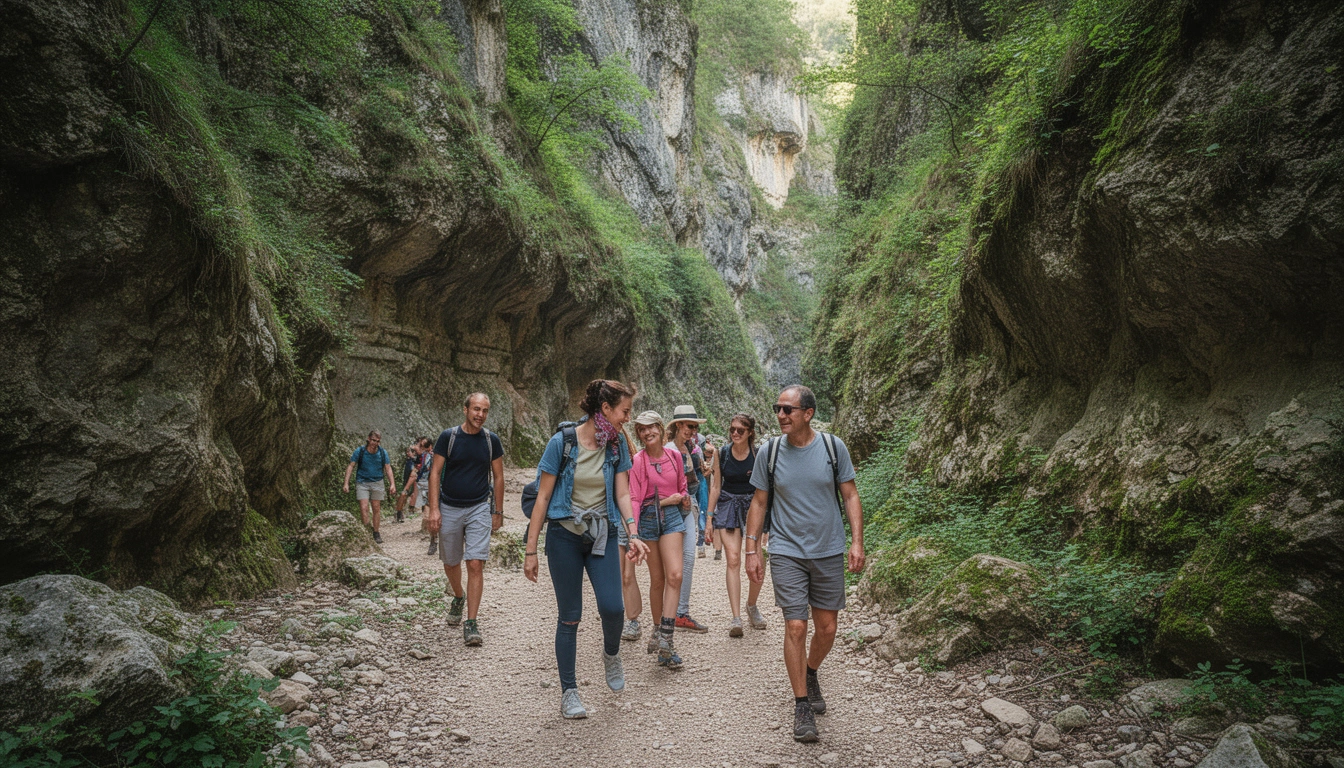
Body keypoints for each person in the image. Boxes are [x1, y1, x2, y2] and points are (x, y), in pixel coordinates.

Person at [744, 385, 865, 743]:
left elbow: (850, 494)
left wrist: (857, 541)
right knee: (795, 626)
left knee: (826, 629)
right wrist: (753, 550)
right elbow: (759, 503)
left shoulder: (832, 447)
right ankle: (801, 704)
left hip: (828, 549)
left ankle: (811, 671)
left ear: (808, 413)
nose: (780, 415)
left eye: (788, 409)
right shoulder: (769, 452)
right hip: (786, 550)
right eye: (778, 408)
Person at [523, 380, 649, 719]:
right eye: (625, 411)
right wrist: (531, 549)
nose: (627, 418)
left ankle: (611, 654)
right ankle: (569, 692)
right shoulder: (561, 442)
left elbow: (623, 494)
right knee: (570, 616)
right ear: (605, 409)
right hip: (564, 537)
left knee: (613, 608)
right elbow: (544, 497)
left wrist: (632, 532)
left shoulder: (616, 444)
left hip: (602, 534)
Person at [427, 394, 505, 647]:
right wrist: (435, 510)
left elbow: (499, 476)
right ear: (465, 410)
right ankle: (458, 596)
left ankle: (471, 622)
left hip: (479, 508)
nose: (480, 415)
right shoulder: (448, 438)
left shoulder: (490, 440)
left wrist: (498, 511)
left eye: (484, 410)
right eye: (476, 409)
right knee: (450, 562)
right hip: (449, 507)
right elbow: (435, 473)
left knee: (474, 563)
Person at [629, 411, 691, 668]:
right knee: (658, 579)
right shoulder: (638, 461)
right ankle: (659, 633)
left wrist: (684, 496)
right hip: (648, 520)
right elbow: (634, 498)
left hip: (673, 518)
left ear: (660, 429)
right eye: (642, 430)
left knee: (675, 575)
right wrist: (633, 534)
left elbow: (683, 485)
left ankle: (666, 636)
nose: (647, 433)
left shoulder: (674, 456)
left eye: (651, 427)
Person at [705, 413, 768, 636]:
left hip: (753, 507)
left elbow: (767, 489)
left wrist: (769, 522)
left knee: (757, 558)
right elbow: (715, 487)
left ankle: (751, 605)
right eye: (732, 429)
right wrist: (709, 519)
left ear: (750, 432)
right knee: (733, 559)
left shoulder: (759, 455)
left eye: (740, 430)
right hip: (728, 504)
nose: (735, 433)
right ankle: (736, 618)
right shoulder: (721, 453)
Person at [665, 405, 709, 634]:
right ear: (678, 425)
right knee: (671, 564)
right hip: (672, 508)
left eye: (695, 427)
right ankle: (667, 614)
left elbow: (695, 479)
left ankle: (681, 612)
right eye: (690, 426)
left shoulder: (691, 448)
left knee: (689, 558)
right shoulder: (667, 449)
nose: (694, 431)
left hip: (688, 505)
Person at [342, 430, 396, 544]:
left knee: (376, 508)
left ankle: (376, 532)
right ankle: (367, 531)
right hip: (362, 483)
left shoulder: (382, 453)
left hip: (377, 482)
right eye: (373, 440)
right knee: (364, 507)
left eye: (377, 441)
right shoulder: (360, 451)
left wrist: (392, 484)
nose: (374, 443)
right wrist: (346, 483)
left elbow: (388, 468)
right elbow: (351, 466)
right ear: (368, 439)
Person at [397, 444, 419, 524]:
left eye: (409, 451)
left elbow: (414, 473)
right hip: (407, 481)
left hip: (411, 481)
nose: (407, 453)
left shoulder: (414, 461)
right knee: (404, 496)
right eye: (407, 452)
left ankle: (403, 512)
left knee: (407, 495)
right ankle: (399, 513)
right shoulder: (408, 461)